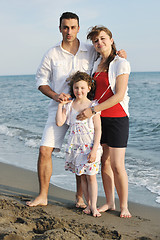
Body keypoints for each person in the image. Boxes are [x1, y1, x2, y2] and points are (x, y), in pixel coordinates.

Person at [26, 11, 126, 208]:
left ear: (78, 28)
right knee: (45, 150)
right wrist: (55, 95)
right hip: (59, 108)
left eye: (73, 27)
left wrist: (120, 54)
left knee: (81, 152)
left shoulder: (90, 50)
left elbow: (107, 55)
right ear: (60, 29)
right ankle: (43, 196)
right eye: (65, 27)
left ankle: (80, 198)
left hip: (83, 112)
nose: (69, 31)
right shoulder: (52, 53)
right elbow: (40, 81)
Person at [77, 26, 132, 218]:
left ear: (111, 39)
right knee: (104, 163)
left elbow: (118, 95)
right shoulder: (96, 63)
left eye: (102, 39)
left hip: (117, 118)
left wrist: (92, 109)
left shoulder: (121, 62)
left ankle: (124, 205)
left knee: (118, 165)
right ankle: (110, 202)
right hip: (99, 120)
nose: (99, 43)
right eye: (96, 41)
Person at [56, 71, 102, 217]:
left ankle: (94, 206)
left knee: (91, 177)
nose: (79, 91)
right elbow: (59, 122)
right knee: (82, 177)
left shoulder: (93, 106)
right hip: (75, 148)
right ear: (72, 89)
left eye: (82, 88)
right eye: (76, 88)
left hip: (89, 148)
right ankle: (88, 205)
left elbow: (98, 130)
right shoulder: (69, 106)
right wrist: (60, 105)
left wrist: (94, 150)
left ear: (89, 88)